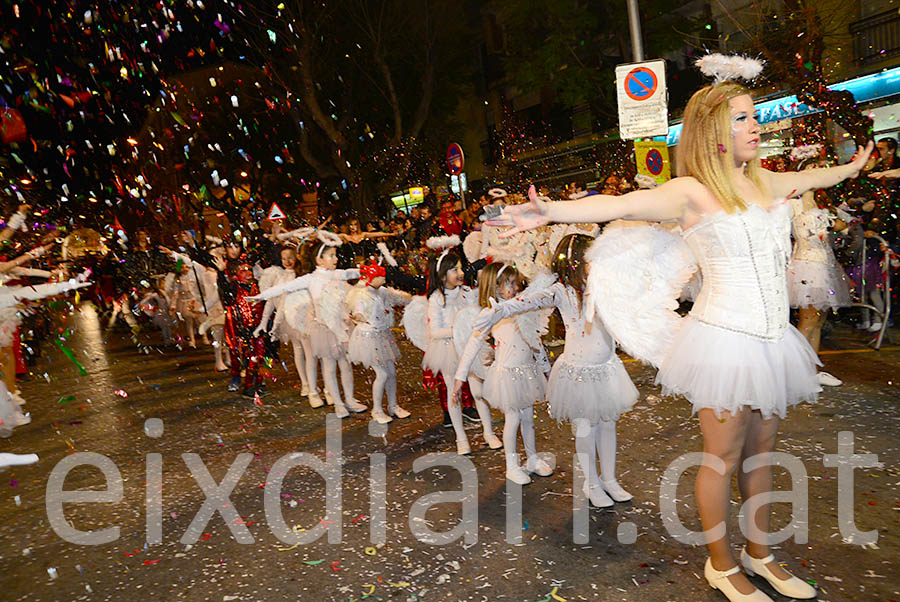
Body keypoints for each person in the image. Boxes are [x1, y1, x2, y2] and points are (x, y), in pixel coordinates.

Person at [491, 60, 873, 602]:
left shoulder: (767, 179)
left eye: (753, 117)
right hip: (724, 339)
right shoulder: (691, 192)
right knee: (722, 456)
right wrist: (549, 210)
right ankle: (722, 564)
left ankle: (759, 554)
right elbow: (620, 205)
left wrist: (850, 168)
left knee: (763, 452)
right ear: (714, 132)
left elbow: (816, 176)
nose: (754, 127)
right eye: (742, 119)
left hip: (772, 340)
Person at [471, 234, 639, 504]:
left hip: (606, 367)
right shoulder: (561, 291)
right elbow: (530, 301)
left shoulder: (602, 287)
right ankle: (592, 484)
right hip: (579, 371)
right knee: (585, 425)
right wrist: (502, 309)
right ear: (575, 261)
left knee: (608, 424)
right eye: (589, 257)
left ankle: (609, 479)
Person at [251, 233, 365, 417]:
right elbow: (284, 288)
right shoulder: (311, 279)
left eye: (335, 255)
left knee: (345, 364)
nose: (335, 259)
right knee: (329, 365)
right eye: (331, 256)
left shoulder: (337, 275)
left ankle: (350, 399)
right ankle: (338, 403)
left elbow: (353, 272)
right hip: (324, 329)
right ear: (319, 259)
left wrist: (371, 269)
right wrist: (260, 297)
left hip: (342, 327)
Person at [452, 262, 549, 480]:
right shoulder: (492, 312)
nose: (514, 288)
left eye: (515, 283)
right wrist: (460, 378)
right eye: (509, 284)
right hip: (508, 375)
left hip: (526, 371)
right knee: (513, 419)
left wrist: (545, 368)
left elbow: (535, 340)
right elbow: (473, 344)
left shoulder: (522, 306)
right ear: (495, 287)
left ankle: (532, 459)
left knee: (528, 418)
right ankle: (512, 466)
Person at [786, 160, 852, 385]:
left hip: (826, 265)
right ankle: (798, 374)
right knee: (807, 321)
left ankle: (812, 371)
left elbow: (842, 226)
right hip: (806, 266)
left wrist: (841, 224)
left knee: (819, 321)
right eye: (816, 169)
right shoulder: (793, 204)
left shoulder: (823, 203)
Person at [345, 263, 413, 423]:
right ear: (370, 278)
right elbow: (358, 309)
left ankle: (393, 405)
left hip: (382, 334)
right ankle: (377, 410)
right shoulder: (361, 295)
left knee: (391, 372)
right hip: (368, 337)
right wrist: (358, 315)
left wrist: (412, 300)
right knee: (382, 374)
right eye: (379, 276)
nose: (383, 278)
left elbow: (396, 297)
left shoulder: (381, 291)